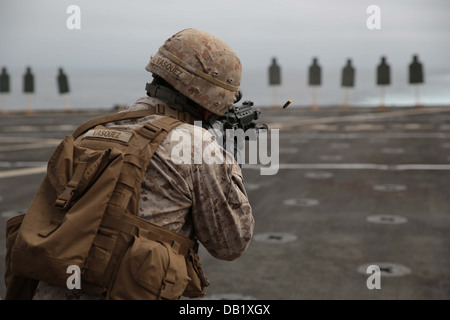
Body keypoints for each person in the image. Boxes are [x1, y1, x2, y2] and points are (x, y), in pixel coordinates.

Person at [32, 28, 254, 299]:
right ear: (210, 100)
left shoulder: (91, 132)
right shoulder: (197, 145)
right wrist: (229, 160)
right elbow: (230, 244)